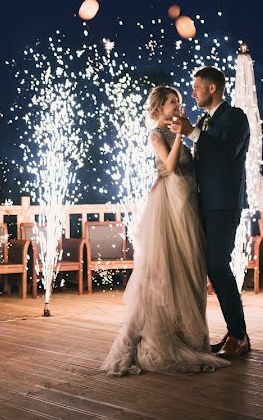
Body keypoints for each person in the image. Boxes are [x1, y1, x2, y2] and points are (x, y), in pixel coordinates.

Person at [101, 86, 229, 376]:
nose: (178, 106)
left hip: (188, 201)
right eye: (173, 102)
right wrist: (181, 134)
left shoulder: (178, 133)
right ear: (159, 106)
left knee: (189, 266)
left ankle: (187, 336)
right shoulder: (158, 134)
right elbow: (170, 166)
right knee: (163, 268)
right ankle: (152, 339)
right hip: (170, 202)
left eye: (180, 102)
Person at [171, 66, 251, 359]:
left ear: (213, 88)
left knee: (218, 264)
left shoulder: (236, 117)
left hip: (224, 204)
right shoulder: (205, 120)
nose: (193, 92)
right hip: (203, 204)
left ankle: (239, 335)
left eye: (197, 87)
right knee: (208, 265)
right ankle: (235, 334)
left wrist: (191, 131)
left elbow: (227, 150)